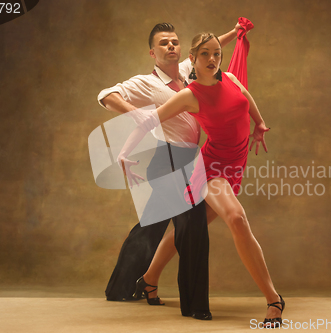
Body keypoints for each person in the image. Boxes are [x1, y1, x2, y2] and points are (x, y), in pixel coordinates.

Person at [118, 32, 285, 328]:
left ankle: (148, 279)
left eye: (217, 54)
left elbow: (246, 98)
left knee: (192, 227)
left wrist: (258, 125)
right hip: (212, 167)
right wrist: (124, 153)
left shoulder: (230, 79)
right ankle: (274, 299)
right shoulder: (189, 95)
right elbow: (149, 121)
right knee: (236, 217)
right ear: (192, 59)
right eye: (205, 54)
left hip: (236, 164)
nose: (212, 59)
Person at [97, 22, 241, 320]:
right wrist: (134, 113)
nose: (171, 46)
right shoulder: (144, 83)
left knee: (151, 225)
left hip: (190, 159)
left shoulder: (191, 70)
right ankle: (195, 307)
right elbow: (106, 94)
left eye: (174, 41)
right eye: (163, 43)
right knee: (193, 227)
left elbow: (212, 48)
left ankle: (123, 287)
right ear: (153, 52)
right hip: (168, 159)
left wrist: (236, 31)